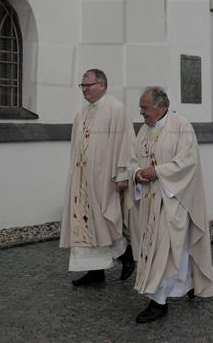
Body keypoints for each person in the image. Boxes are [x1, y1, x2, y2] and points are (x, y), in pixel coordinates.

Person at [128, 87, 213, 323]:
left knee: (165, 251)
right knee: (173, 250)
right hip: (149, 201)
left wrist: (157, 172)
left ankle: (158, 301)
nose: (141, 113)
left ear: (160, 106)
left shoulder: (181, 126)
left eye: (145, 108)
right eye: (141, 108)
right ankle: (186, 284)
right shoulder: (144, 130)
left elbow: (187, 162)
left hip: (173, 200)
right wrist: (135, 174)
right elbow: (133, 159)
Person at [59, 69, 135, 286]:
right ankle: (94, 271)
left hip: (104, 178)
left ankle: (125, 254)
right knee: (84, 225)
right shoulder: (82, 114)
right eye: (82, 86)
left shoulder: (116, 109)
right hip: (82, 179)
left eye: (88, 86)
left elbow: (126, 142)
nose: (84, 90)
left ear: (102, 85)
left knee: (105, 220)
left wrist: (123, 173)